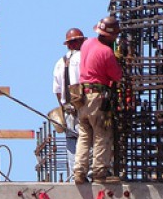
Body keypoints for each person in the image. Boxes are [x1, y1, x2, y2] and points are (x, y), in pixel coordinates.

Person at [72, 16, 123, 184]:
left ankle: (79, 172)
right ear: (109, 35)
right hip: (97, 98)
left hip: (82, 97)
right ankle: (99, 174)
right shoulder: (106, 52)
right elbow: (117, 76)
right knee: (102, 134)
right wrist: (117, 60)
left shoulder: (87, 43)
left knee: (85, 134)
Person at [52, 28, 86, 180]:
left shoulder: (59, 63)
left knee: (72, 143)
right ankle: (87, 174)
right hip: (83, 107)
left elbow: (57, 91)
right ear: (78, 42)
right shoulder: (83, 58)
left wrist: (65, 107)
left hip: (68, 110)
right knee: (87, 140)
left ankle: (75, 176)